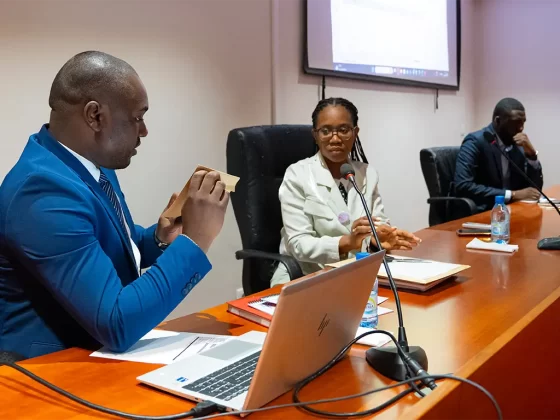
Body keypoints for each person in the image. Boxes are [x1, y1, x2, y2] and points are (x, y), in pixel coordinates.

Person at [0, 51, 229, 359]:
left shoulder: (88, 162)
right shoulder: (42, 194)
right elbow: (117, 324)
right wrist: (196, 240)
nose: (144, 130)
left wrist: (160, 239)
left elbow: (99, 243)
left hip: (98, 352)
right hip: (49, 372)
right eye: (137, 117)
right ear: (95, 116)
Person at [270, 97, 421, 287]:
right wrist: (348, 241)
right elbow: (299, 244)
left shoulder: (367, 174)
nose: (335, 138)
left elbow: (379, 222)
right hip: (305, 275)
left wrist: (378, 239)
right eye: (325, 131)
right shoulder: (297, 175)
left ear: (355, 132)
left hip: (355, 272)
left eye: (343, 130)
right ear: (315, 135)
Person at [454, 98, 543, 213]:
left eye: (523, 122)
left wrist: (532, 156)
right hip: (483, 211)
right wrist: (513, 195)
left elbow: (534, 189)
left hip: (512, 211)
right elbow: (463, 185)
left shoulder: (517, 143)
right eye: (515, 122)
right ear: (498, 121)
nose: (521, 128)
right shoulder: (475, 142)